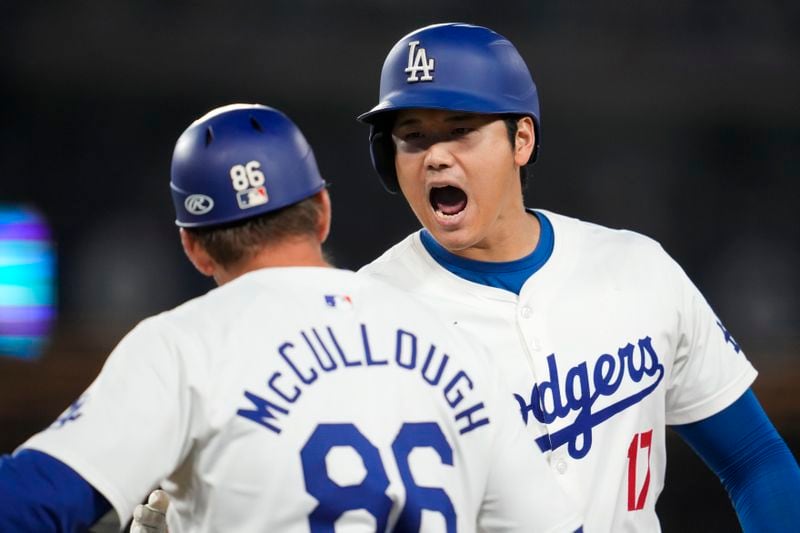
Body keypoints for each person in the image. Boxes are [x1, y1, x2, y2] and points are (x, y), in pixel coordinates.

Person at [0, 104, 583, 532]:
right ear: (321, 212)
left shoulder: (182, 346)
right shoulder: (451, 345)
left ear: (193, 247)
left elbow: (35, 501)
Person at [356, 22, 800, 532]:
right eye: (413, 137)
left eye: (460, 130)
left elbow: (755, 460)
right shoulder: (370, 315)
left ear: (521, 139)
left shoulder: (637, 269)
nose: (435, 156)